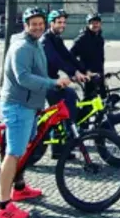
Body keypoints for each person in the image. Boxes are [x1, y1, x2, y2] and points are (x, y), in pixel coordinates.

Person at [0, 7, 72, 218]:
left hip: (30, 105)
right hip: (19, 105)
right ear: (26, 25)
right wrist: (52, 82)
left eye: (40, 23)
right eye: (34, 24)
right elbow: (24, 78)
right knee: (13, 153)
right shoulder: (22, 47)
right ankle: (3, 207)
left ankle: (19, 188)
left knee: (26, 148)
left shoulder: (35, 43)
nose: (38, 27)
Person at [41, 10, 88, 158]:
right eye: (59, 22)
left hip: (52, 79)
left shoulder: (56, 38)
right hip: (44, 81)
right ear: (51, 23)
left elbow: (68, 56)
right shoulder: (45, 40)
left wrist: (84, 71)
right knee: (70, 97)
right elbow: (56, 60)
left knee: (61, 108)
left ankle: (58, 149)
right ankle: (69, 135)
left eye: (64, 22)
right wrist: (73, 73)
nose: (62, 25)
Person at [70, 13, 106, 101]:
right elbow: (70, 56)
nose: (95, 25)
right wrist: (84, 70)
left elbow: (100, 57)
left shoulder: (100, 38)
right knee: (89, 100)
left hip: (99, 73)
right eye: (93, 23)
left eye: (97, 22)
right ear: (88, 24)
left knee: (103, 99)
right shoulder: (82, 39)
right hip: (88, 75)